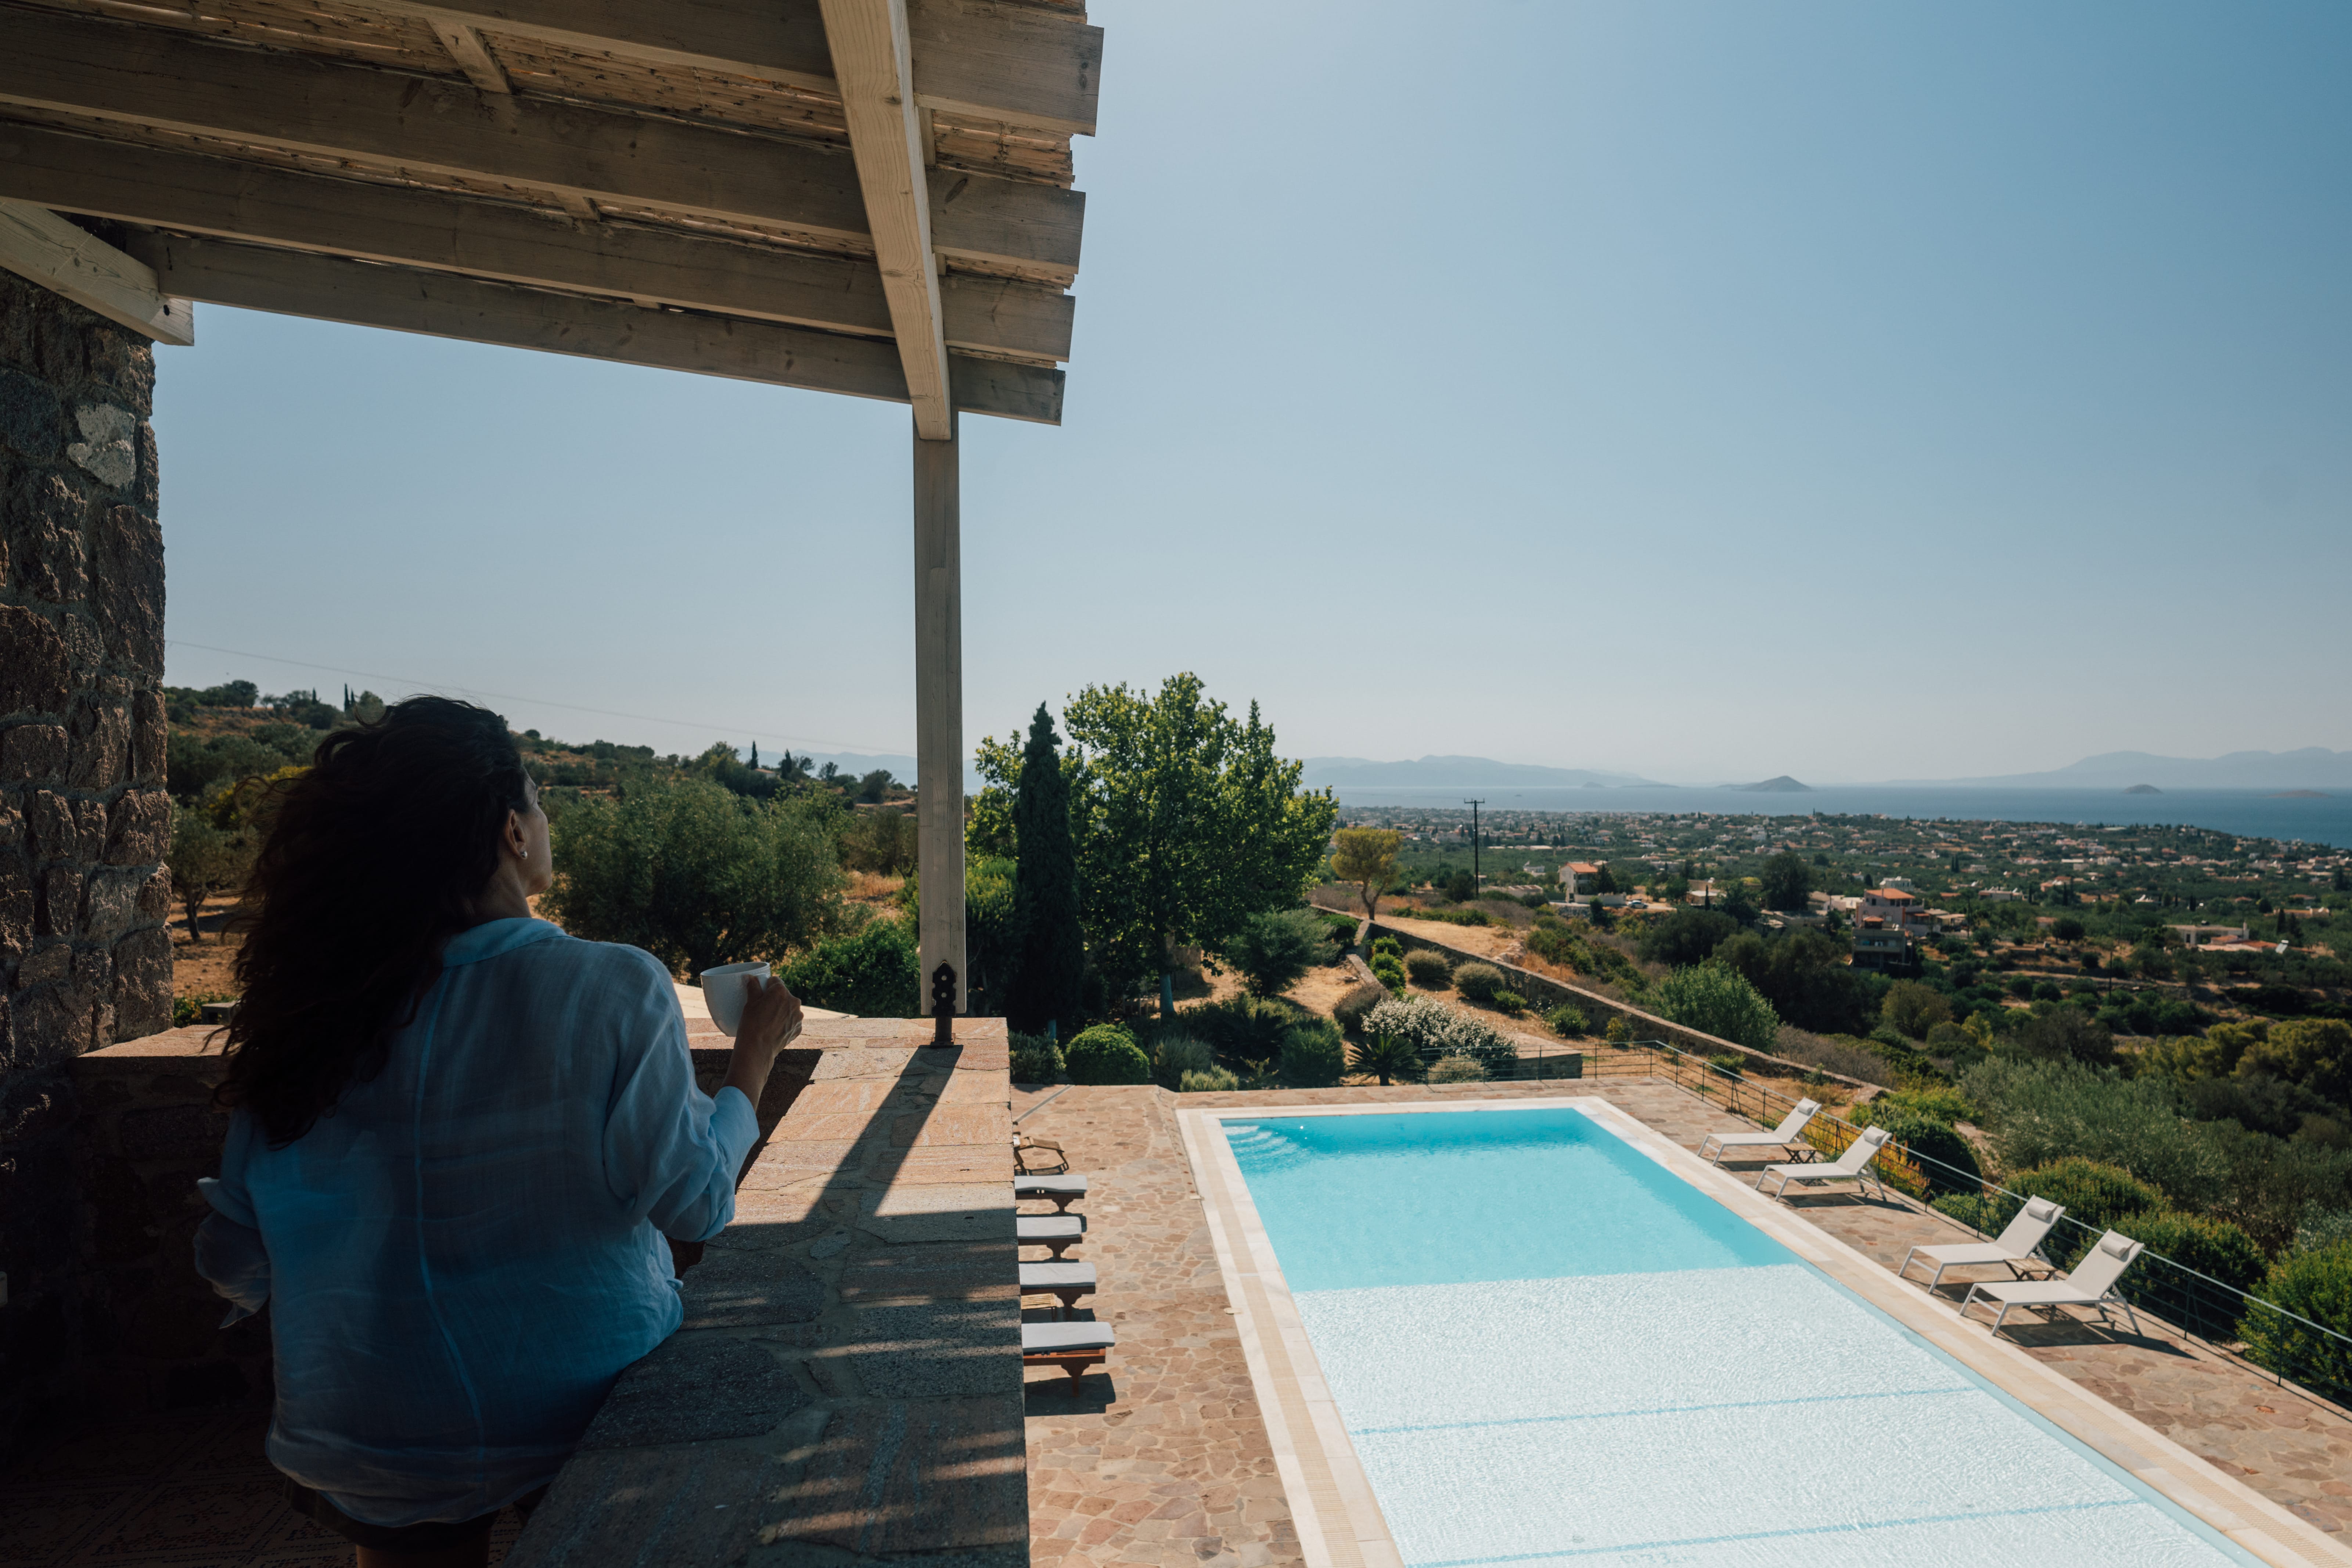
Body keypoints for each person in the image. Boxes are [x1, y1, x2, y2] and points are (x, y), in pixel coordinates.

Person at [193, 697, 801, 1567]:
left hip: (373, 1427)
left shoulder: (313, 1013)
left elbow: (234, 1260)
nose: (547, 820)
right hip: (578, 1402)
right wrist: (754, 1058)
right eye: (539, 801)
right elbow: (697, 1201)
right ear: (512, 832)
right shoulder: (613, 986)